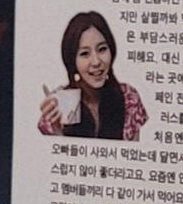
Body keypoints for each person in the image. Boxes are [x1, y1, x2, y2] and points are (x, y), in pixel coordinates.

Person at [38, 11, 145, 141]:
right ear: (72, 59)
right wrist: (56, 131)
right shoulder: (59, 101)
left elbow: (133, 152)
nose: (96, 62)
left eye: (102, 49)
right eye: (85, 53)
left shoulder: (128, 97)